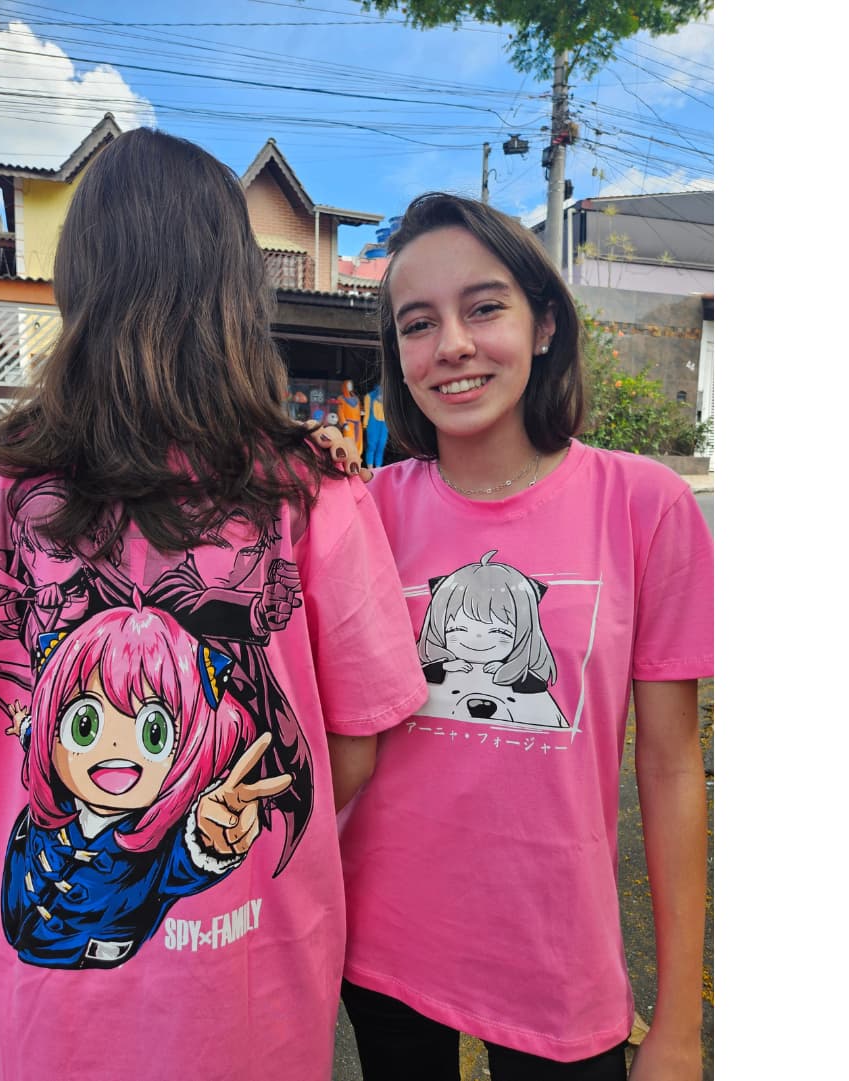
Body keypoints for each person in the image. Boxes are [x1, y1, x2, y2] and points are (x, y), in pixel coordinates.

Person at [0, 127, 427, 1081]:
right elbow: (351, 746)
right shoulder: (312, 490)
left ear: (79, 282)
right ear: (237, 292)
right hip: (253, 1004)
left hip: (47, 1022)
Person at [336, 192, 713, 1081]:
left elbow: (668, 768)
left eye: (483, 308)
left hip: (556, 955)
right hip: (381, 944)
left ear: (543, 324)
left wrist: (677, 1022)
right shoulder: (359, 512)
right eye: (417, 323)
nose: (451, 345)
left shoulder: (644, 504)